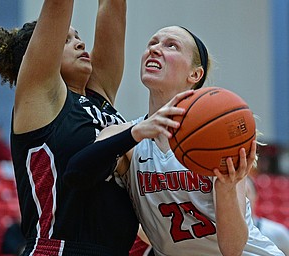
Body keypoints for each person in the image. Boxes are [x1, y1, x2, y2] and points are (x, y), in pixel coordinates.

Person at [64, 26, 285, 255]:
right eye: (152, 43)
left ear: (195, 75)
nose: (155, 49)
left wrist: (227, 189)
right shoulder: (125, 135)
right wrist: (138, 132)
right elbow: (76, 173)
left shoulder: (218, 135)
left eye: (171, 45)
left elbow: (232, 249)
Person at [0, 0, 139, 255]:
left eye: (77, 37)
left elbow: (114, 7)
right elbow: (57, 5)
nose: (80, 43)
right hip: (58, 249)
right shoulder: (39, 98)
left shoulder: (99, 96)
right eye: (66, 40)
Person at [246, 176, 289, 255]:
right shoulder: (221, 234)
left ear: (256, 196)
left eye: (246, 193)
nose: (243, 200)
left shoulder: (278, 232)